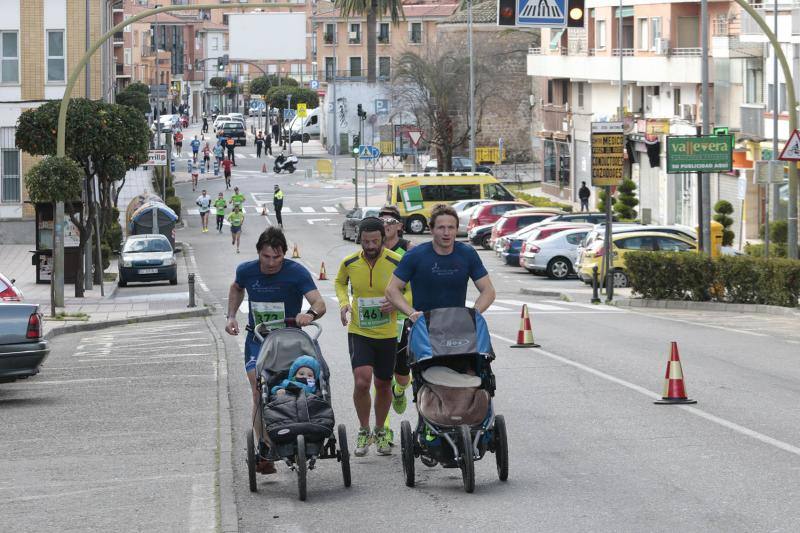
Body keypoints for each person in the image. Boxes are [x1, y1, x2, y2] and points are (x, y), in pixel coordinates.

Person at [225, 227, 326, 474]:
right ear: (258, 253)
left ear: (284, 254)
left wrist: (309, 314)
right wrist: (231, 316)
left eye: (277, 257)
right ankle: (266, 447)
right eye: (266, 257)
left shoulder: (296, 272)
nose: (271, 263)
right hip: (258, 340)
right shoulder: (246, 271)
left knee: (297, 386)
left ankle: (300, 430)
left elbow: (320, 303)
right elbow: (236, 288)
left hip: (289, 340)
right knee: (259, 390)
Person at [335, 217, 407, 457]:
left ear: (383, 239)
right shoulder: (350, 262)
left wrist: (397, 304)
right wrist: (344, 303)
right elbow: (339, 282)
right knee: (362, 381)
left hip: (387, 332)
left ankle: (380, 430)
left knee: (383, 383)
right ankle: (364, 429)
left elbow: (411, 289)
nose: (370, 246)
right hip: (360, 331)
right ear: (360, 240)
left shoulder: (397, 262)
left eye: (375, 241)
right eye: (366, 241)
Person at [385, 203, 496, 321]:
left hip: (457, 328)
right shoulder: (415, 255)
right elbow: (391, 289)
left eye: (451, 227)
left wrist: (474, 314)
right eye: (441, 227)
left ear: (456, 229)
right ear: (431, 229)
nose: (446, 233)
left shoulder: (467, 254)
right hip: (424, 329)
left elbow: (488, 291)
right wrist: (412, 313)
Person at [378, 205, 414, 418]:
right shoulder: (373, 249)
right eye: (381, 220)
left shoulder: (408, 250)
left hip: (402, 319)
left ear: (399, 226)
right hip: (379, 320)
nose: (385, 224)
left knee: (402, 375)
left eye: (390, 221)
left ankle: (399, 390)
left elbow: (415, 288)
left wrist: (399, 303)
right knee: (380, 379)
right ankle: (384, 431)